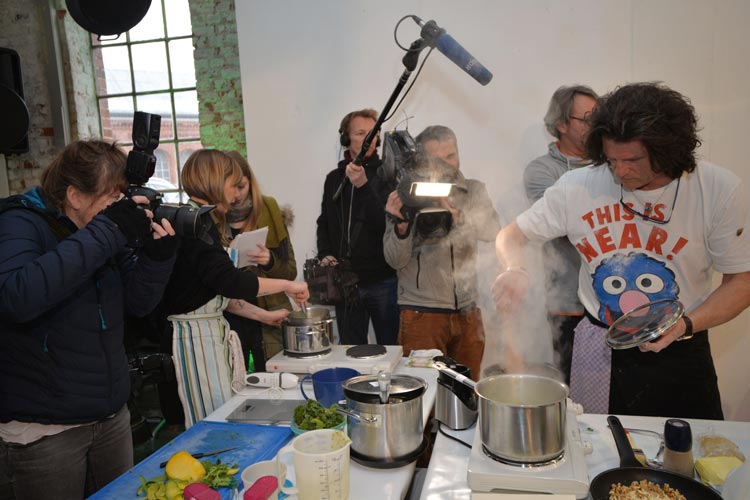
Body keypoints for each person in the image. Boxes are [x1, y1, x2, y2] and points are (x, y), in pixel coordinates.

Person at [493, 82, 750, 418]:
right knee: (597, 453)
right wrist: (514, 268)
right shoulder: (578, 186)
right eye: (612, 160)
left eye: (633, 160)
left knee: (686, 459)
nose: (621, 171)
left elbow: (741, 281)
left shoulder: (716, 189)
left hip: (681, 341)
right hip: (599, 347)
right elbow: (512, 235)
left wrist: (685, 325)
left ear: (667, 150)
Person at [0, 140, 178, 499]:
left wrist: (158, 259)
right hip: (44, 429)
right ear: (75, 196)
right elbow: (17, 297)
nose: (118, 209)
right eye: (111, 199)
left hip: (110, 415)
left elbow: (138, 304)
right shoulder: (18, 223)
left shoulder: (97, 232)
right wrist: (108, 231)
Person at [158, 149, 308, 427]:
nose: (237, 194)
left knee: (224, 410)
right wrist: (288, 284)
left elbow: (218, 294)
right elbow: (233, 282)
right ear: (215, 181)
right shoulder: (196, 225)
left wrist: (265, 316)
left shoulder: (200, 220)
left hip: (208, 334)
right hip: (194, 339)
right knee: (213, 420)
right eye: (233, 183)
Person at [383, 126, 501, 380]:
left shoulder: (472, 190)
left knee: (467, 391)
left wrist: (459, 219)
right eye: (437, 158)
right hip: (421, 312)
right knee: (423, 394)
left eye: (451, 155)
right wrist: (401, 227)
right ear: (422, 159)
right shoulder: (408, 194)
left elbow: (493, 231)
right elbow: (394, 260)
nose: (447, 164)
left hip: (468, 311)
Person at [523, 84, 598, 384]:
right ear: (561, 124)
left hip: (616, 303)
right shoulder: (542, 171)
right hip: (567, 301)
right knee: (572, 386)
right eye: (588, 118)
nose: (597, 125)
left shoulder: (615, 164)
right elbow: (565, 227)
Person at [316, 108, 399, 345]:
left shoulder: (388, 174)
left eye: (372, 133)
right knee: (351, 351)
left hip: (382, 280)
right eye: (361, 133)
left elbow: (385, 224)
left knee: (390, 348)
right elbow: (324, 221)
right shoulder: (334, 178)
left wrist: (363, 186)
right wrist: (325, 253)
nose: (368, 139)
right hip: (345, 283)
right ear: (346, 138)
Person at [222, 150, 297, 370]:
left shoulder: (269, 209)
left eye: (242, 186)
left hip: (269, 315)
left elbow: (290, 272)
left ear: (250, 181)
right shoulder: (213, 218)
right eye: (231, 187)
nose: (237, 195)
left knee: (274, 379)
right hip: (230, 317)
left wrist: (269, 261)